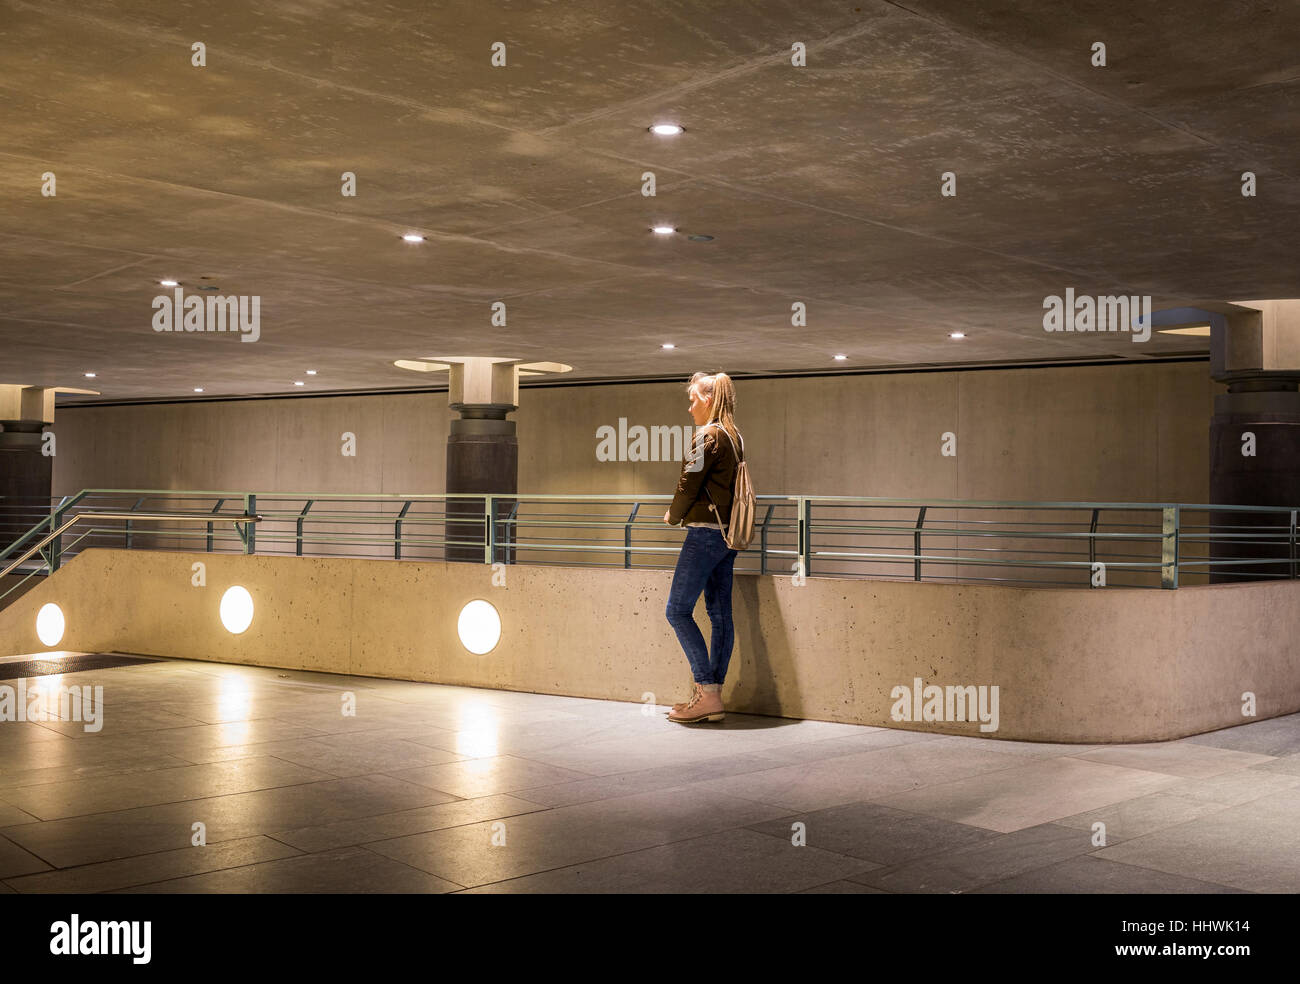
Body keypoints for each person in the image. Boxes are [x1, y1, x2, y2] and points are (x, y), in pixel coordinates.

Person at [662, 371, 744, 723]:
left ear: (708, 399)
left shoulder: (707, 436)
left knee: (677, 610)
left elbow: (688, 483)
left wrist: (673, 515)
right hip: (727, 535)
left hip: (703, 535)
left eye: (693, 399)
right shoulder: (733, 435)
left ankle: (706, 691)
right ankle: (711, 697)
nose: (690, 406)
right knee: (719, 614)